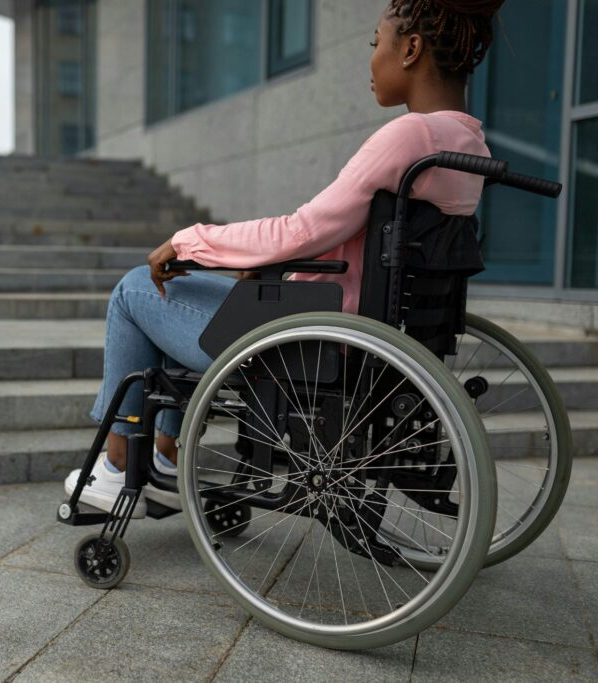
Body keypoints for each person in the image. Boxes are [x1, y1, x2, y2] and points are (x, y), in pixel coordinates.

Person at [66, 0, 505, 517]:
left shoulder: (411, 135)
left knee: (137, 289)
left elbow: (304, 229)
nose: (371, 60)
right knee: (174, 294)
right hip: (362, 334)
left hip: (309, 341)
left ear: (410, 50)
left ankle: (119, 465)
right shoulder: (468, 144)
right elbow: (349, 234)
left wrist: (191, 242)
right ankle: (161, 459)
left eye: (375, 43)